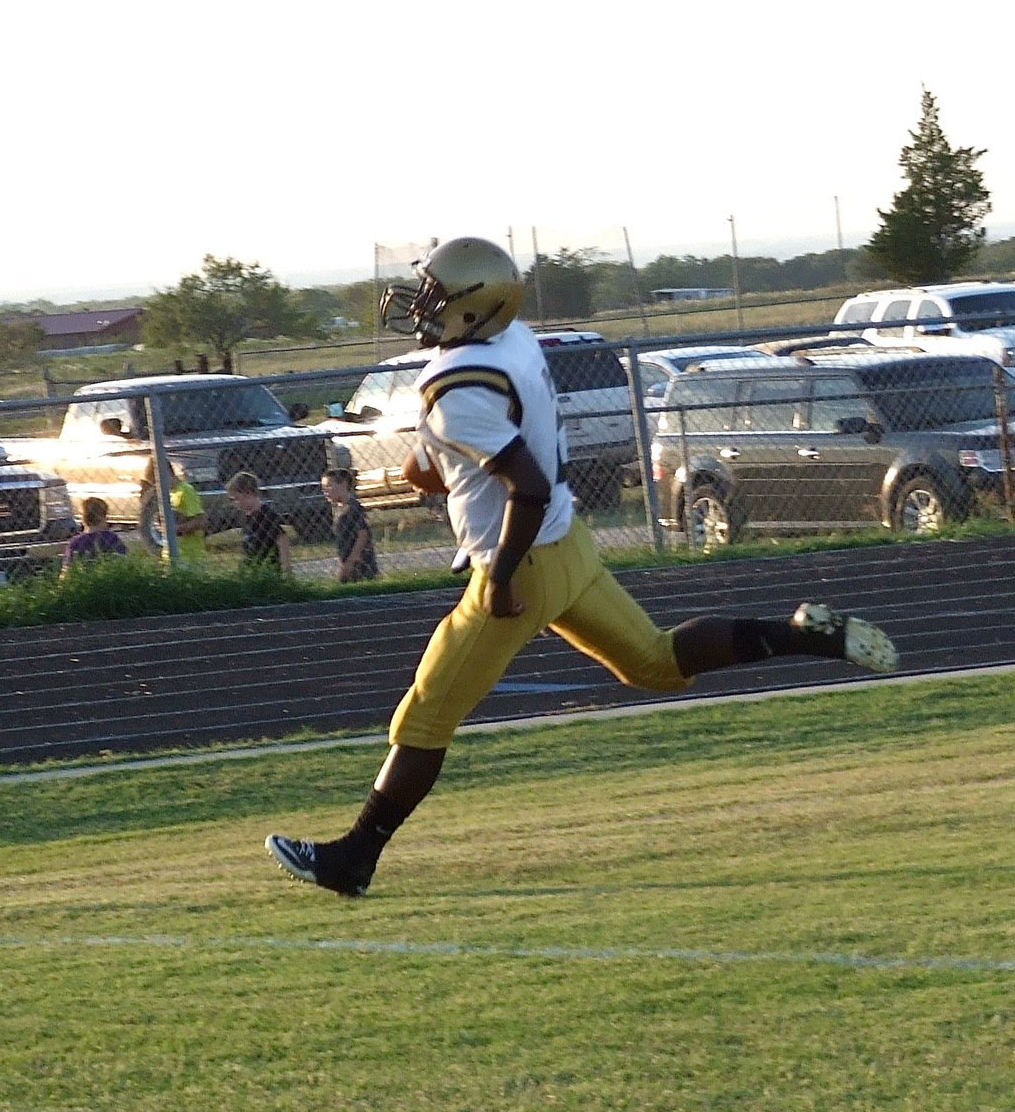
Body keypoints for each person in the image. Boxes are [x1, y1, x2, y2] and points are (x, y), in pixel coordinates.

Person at [265, 237, 899, 898]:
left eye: (434, 293)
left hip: (524, 558)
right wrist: (435, 458)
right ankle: (800, 632)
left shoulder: (457, 388)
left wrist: (503, 575)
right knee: (652, 663)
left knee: (423, 717)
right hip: (570, 545)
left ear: (470, 307)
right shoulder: (514, 344)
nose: (420, 303)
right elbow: (465, 449)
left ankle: (353, 859)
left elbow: (525, 486)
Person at [226, 470, 292, 575]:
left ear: (248, 493)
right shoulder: (247, 518)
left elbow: (282, 538)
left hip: (269, 572)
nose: (234, 503)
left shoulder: (266, 515)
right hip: (253, 572)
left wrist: (286, 570)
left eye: (236, 499)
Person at [322, 468, 379, 583]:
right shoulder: (340, 509)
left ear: (343, 484)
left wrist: (350, 562)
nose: (325, 491)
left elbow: (363, 535)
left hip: (361, 565)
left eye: (329, 486)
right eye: (323, 488)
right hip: (347, 560)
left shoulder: (353, 507)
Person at [60, 496, 127, 574]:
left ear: (83, 518)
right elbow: (124, 560)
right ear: (104, 517)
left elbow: (67, 571)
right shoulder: (112, 539)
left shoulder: (76, 543)